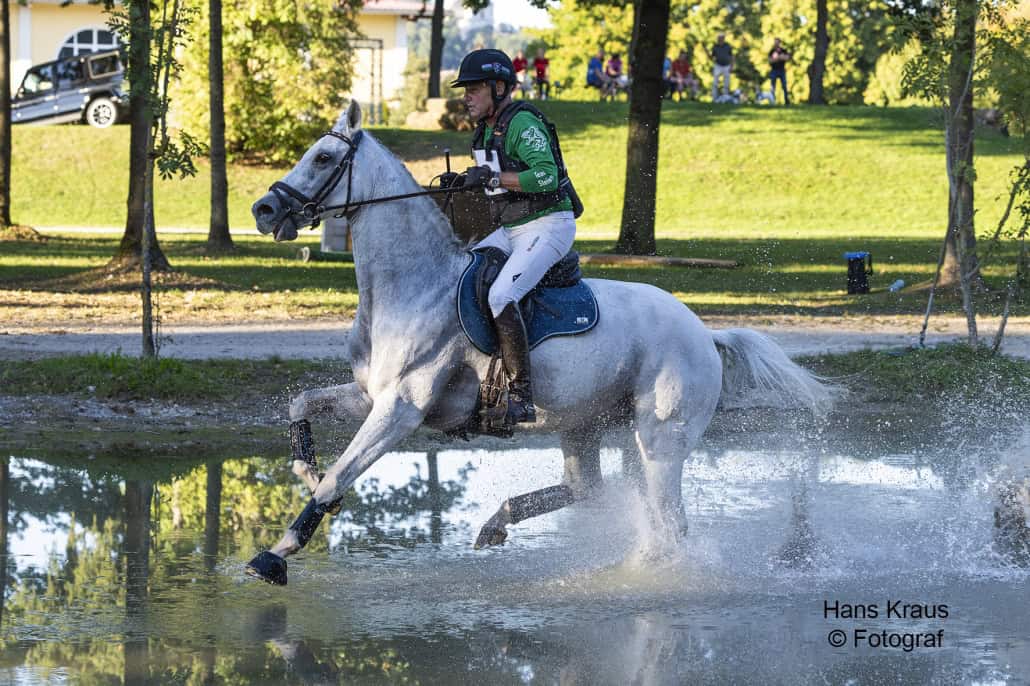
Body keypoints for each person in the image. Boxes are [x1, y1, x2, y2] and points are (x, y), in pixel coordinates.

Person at [450, 49, 579, 426]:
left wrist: (490, 178)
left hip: (548, 225)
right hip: (512, 229)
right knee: (464, 271)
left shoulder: (522, 123)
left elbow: (546, 176)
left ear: (500, 87)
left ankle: (521, 394)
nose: (466, 96)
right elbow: (496, 183)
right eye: (466, 90)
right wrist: (463, 182)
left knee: (502, 294)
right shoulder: (487, 129)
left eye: (473, 89)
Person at [709, 32, 734, 100]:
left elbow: (731, 56)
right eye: (719, 38)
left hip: (726, 65)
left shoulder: (728, 46)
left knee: (726, 82)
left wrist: (732, 66)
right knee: (715, 82)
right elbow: (712, 57)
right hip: (718, 65)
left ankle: (725, 97)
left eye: (722, 38)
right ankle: (714, 97)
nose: (720, 39)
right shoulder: (715, 46)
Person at [768, 37, 792, 105]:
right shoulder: (771, 51)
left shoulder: (783, 50)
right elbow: (770, 61)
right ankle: (772, 101)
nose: (776, 43)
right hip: (774, 70)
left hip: (782, 70)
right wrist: (779, 58)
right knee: (773, 87)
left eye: (777, 42)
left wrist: (778, 58)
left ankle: (787, 101)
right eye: (775, 42)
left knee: (784, 86)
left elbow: (787, 58)